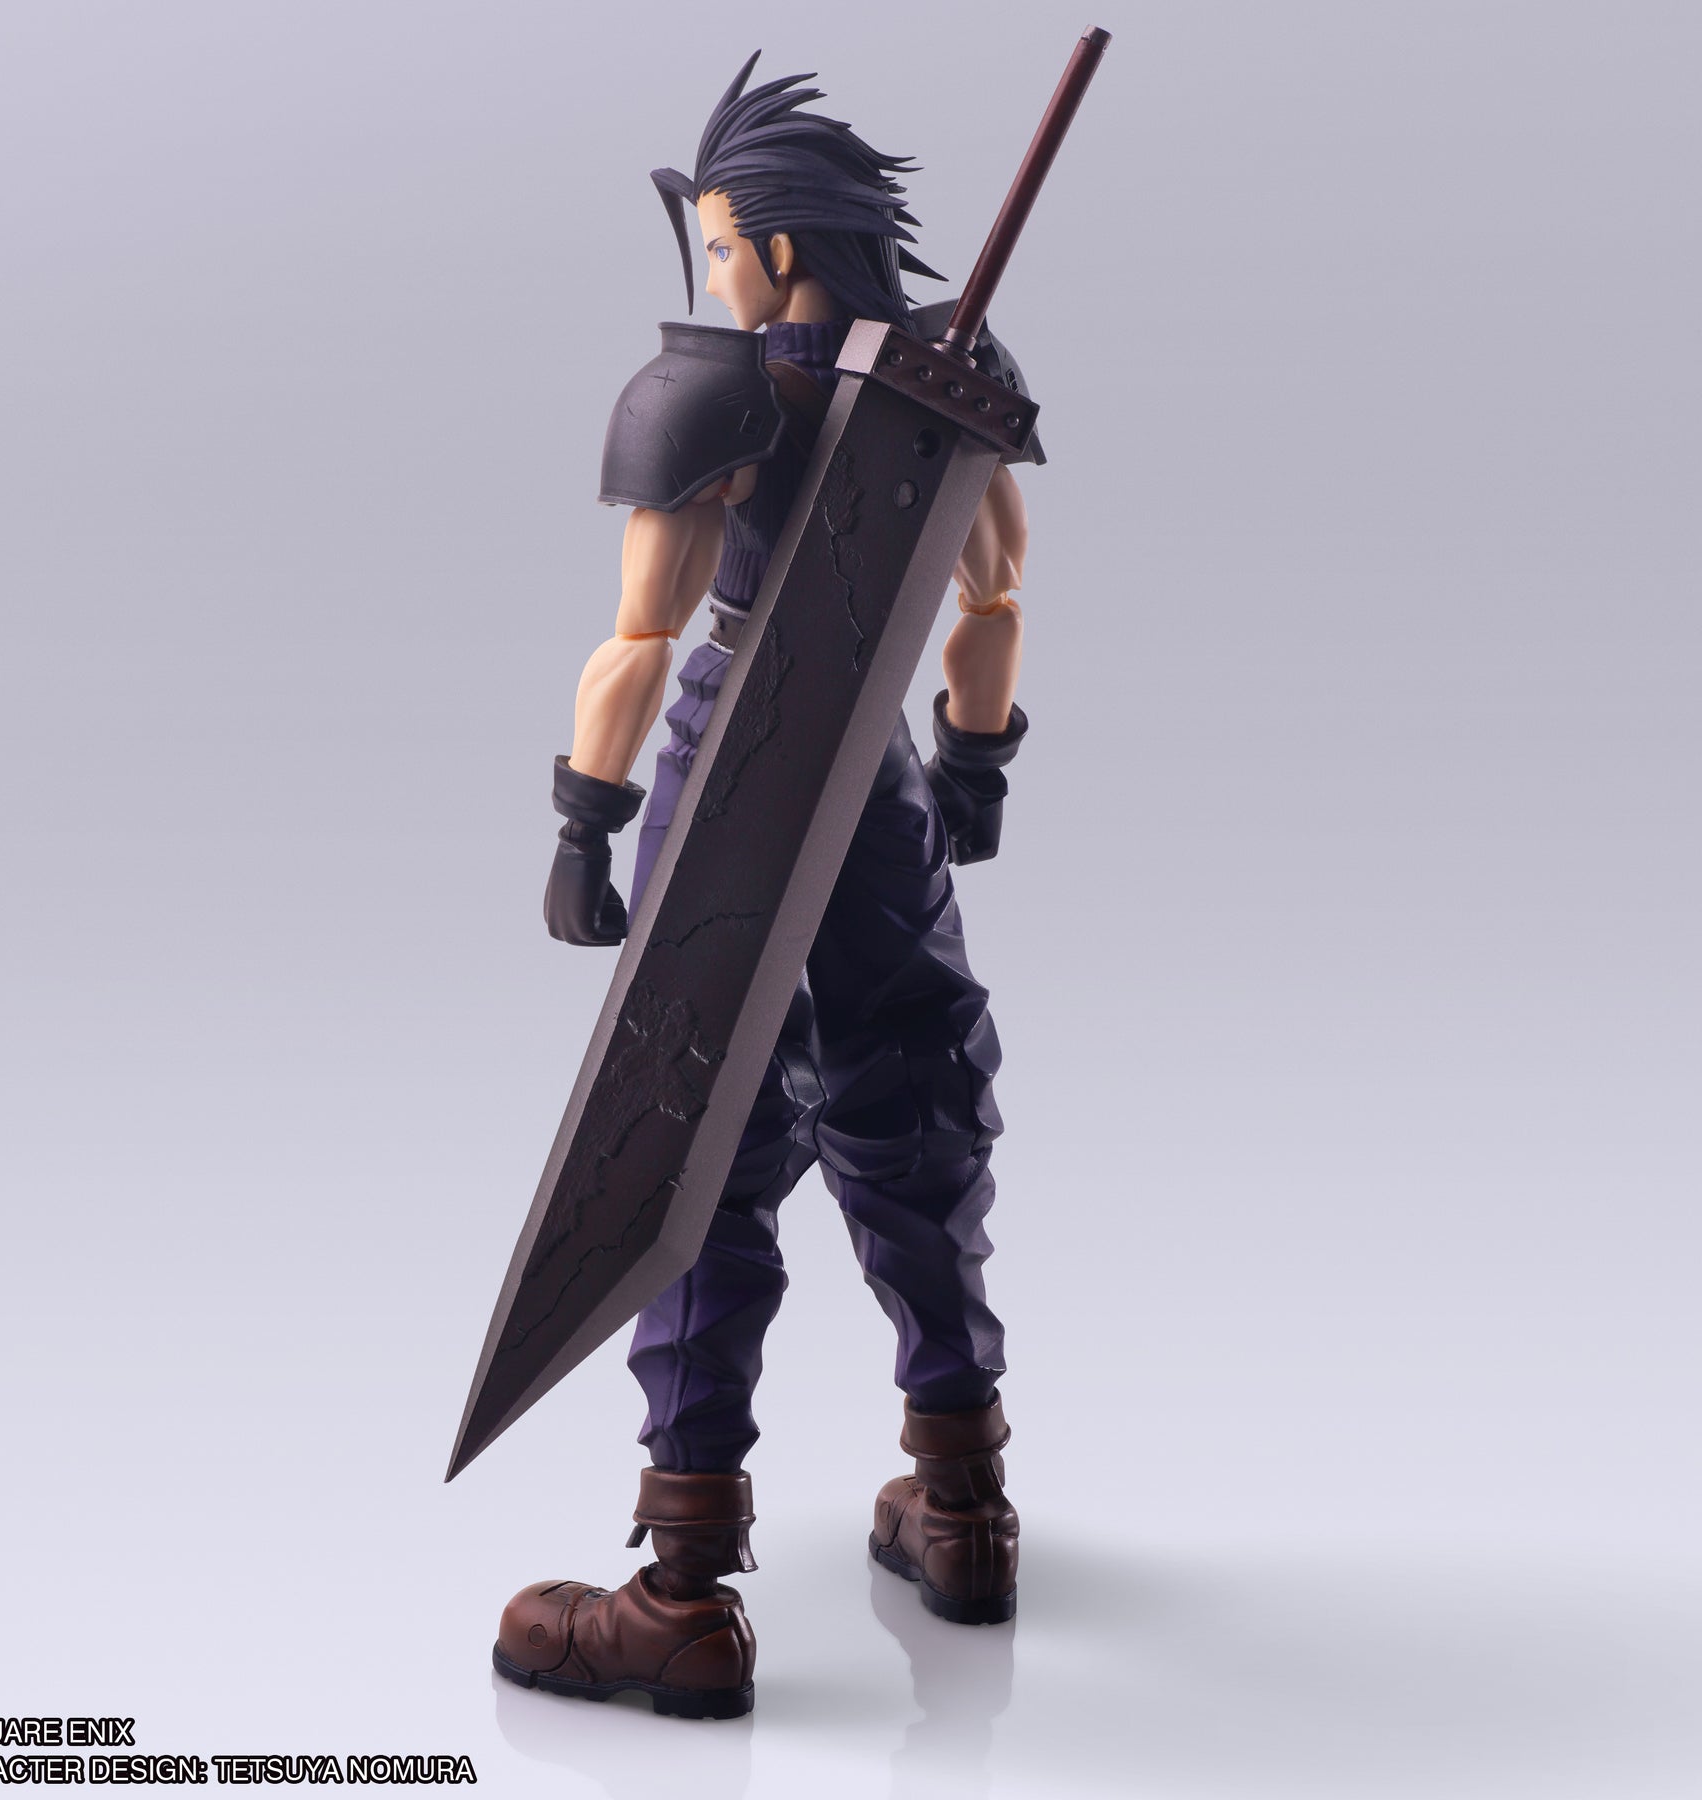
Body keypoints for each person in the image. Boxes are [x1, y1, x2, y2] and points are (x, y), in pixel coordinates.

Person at [494, 53, 1038, 1720]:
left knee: (693, 1133)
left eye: (724, 245)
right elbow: (993, 598)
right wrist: (973, 766)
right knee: (913, 1096)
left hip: (731, 762)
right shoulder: (951, 381)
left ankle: (679, 1596)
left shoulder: (709, 400)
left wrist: (583, 823)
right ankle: (964, 1504)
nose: (716, 274)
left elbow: (642, 639)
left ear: (781, 249)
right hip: (878, 773)